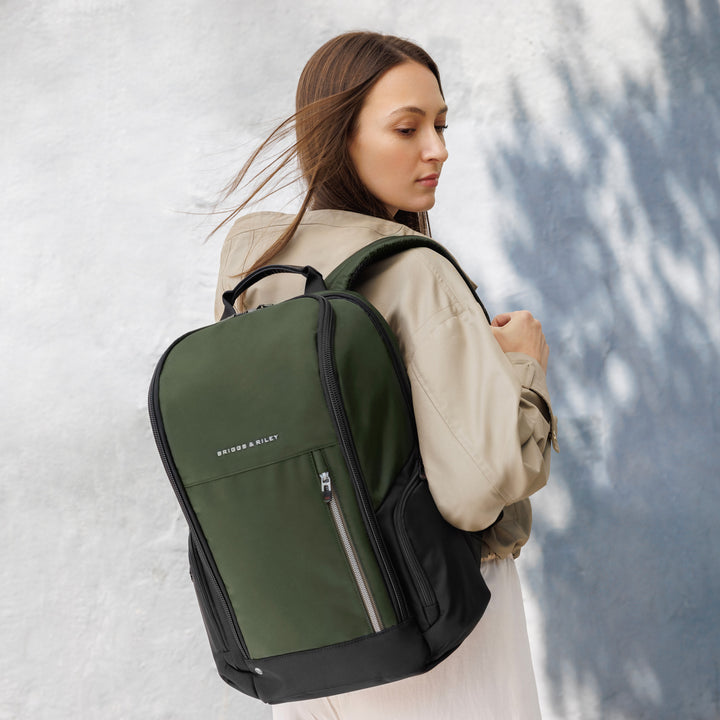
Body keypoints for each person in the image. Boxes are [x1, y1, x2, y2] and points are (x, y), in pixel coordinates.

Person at [213, 31, 558, 720]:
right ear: (338, 135)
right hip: (438, 624)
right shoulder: (415, 269)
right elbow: (479, 490)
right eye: (408, 128)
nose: (437, 148)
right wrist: (522, 365)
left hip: (304, 625)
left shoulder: (256, 264)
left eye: (440, 124)